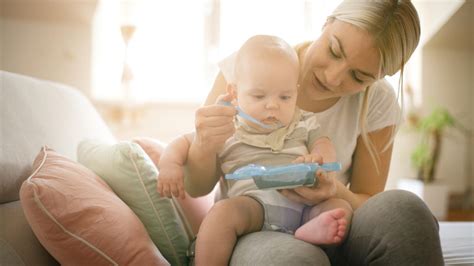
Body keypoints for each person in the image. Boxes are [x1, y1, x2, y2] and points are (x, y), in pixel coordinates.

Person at [157, 0, 444, 265]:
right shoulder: (251, 68)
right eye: (334, 50)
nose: (333, 77)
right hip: (256, 217)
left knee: (407, 211)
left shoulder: (378, 101)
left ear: (381, 76)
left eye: (359, 77)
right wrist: (204, 144)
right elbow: (197, 186)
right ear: (327, 22)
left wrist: (332, 189)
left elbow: (369, 199)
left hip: (329, 220)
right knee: (295, 259)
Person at [159, 35, 353, 265]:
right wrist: (169, 165)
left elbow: (324, 143)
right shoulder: (228, 125)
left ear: (296, 93)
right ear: (235, 92)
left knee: (341, 208)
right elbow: (184, 142)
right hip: (253, 206)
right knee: (221, 216)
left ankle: (312, 229)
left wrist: (321, 160)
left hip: (305, 205)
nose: (273, 105)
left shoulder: (302, 122)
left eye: (285, 96)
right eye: (259, 96)